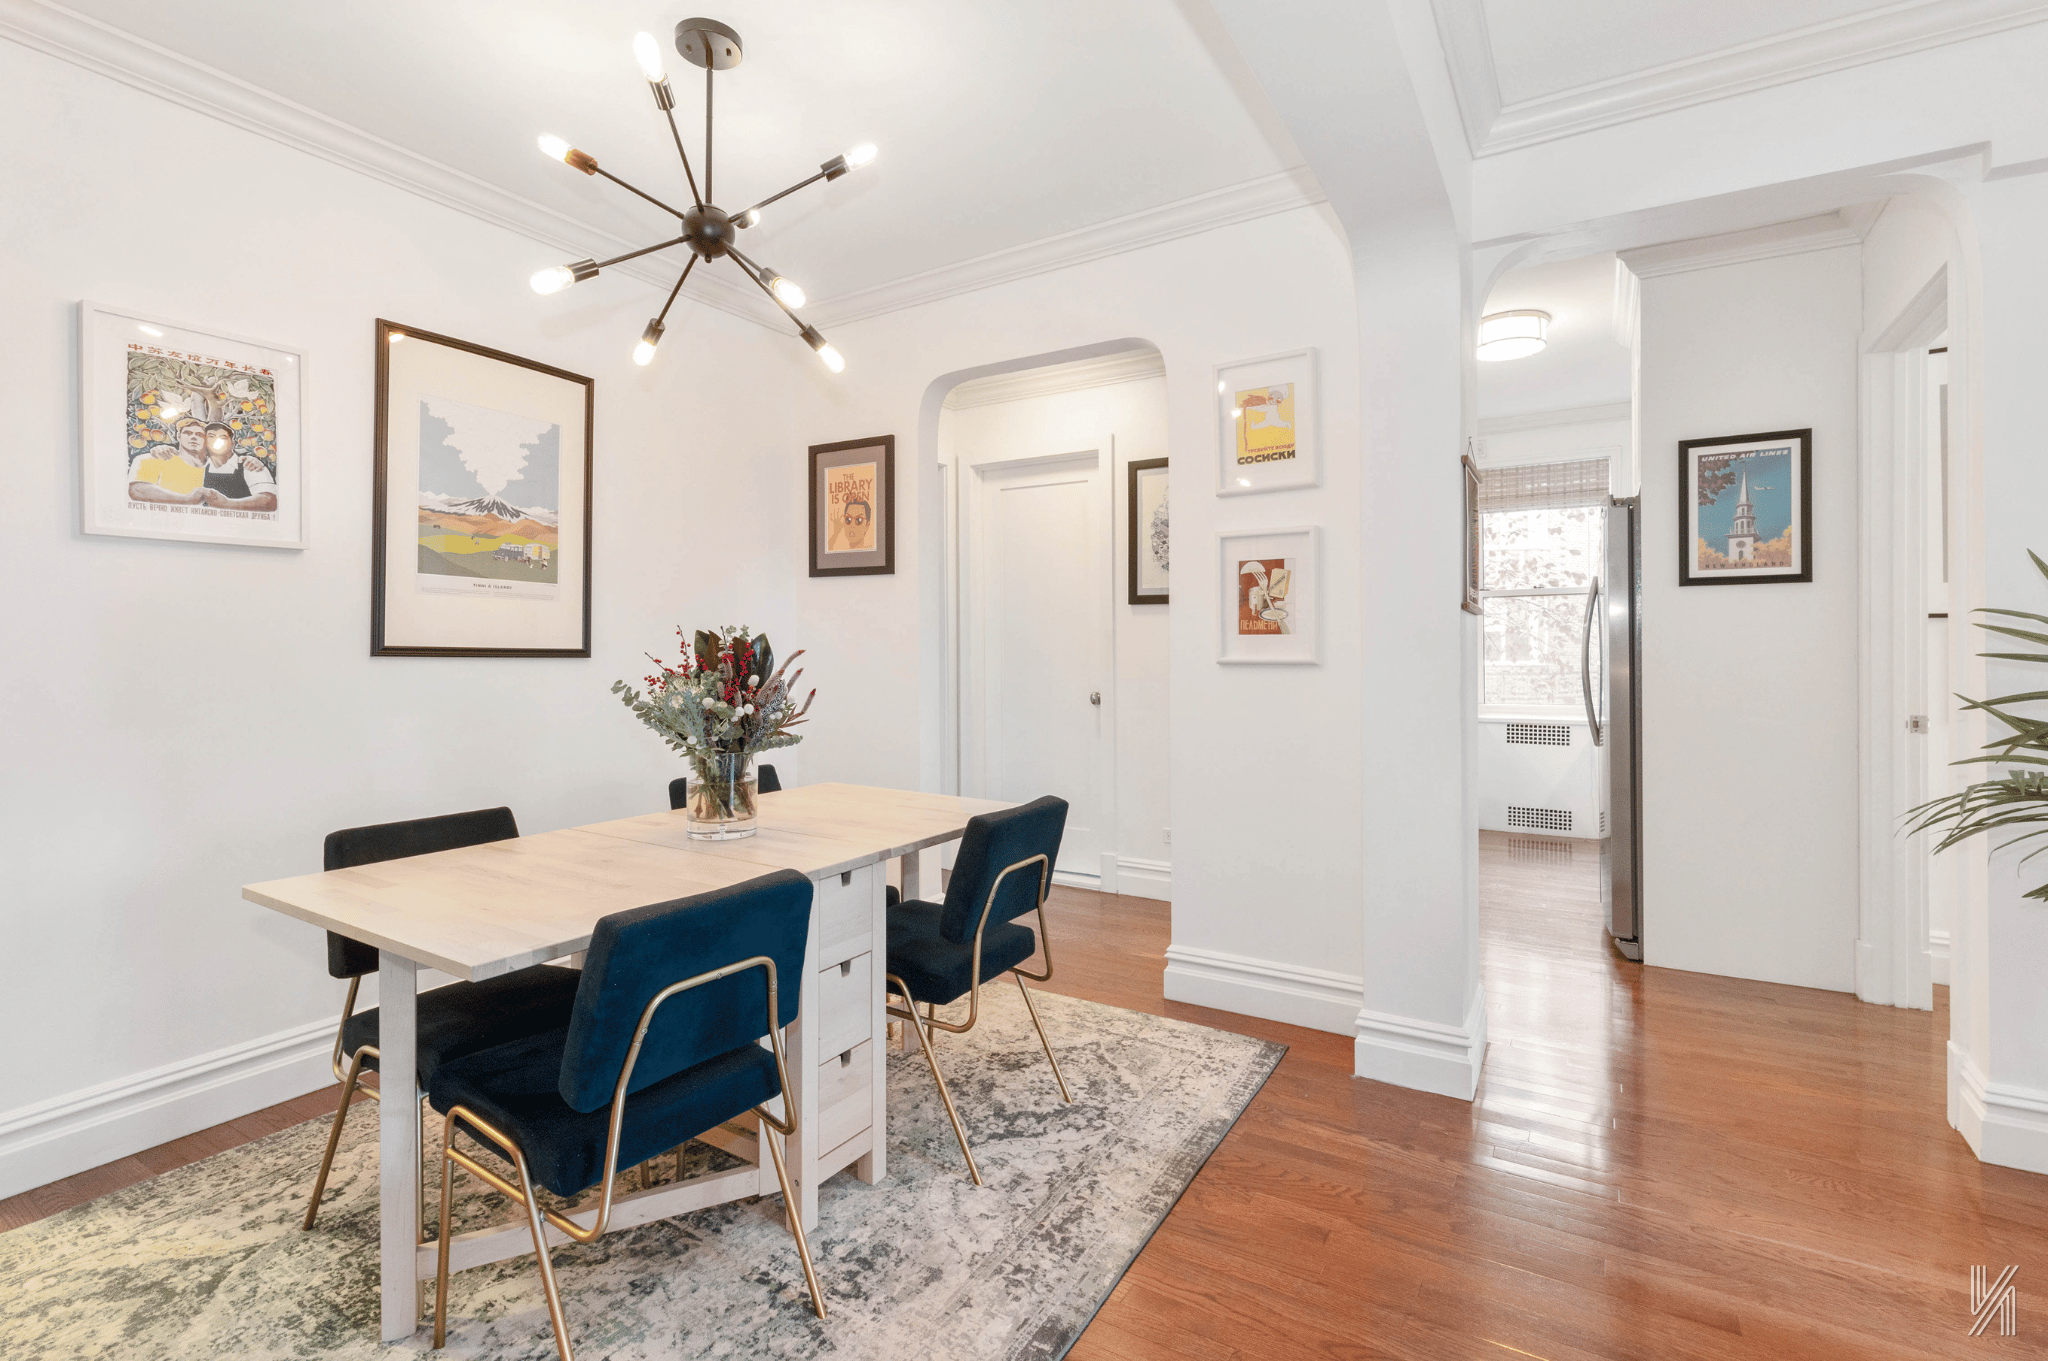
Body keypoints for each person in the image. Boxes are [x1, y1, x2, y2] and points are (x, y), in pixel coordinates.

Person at [128, 417, 210, 502]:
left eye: (199, 435)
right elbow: (136, 490)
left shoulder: (212, 468)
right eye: (188, 433)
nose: (193, 437)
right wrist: (186, 500)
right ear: (179, 436)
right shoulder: (154, 458)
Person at [198, 422, 277, 511]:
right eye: (211, 436)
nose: (217, 440)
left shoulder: (249, 465)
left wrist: (227, 504)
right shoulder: (200, 467)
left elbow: (269, 500)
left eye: (223, 437)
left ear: (232, 443)